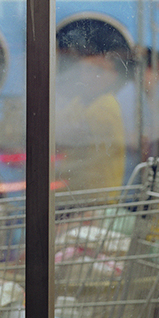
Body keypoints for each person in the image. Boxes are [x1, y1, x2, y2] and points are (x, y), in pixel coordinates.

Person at [55, 23, 132, 195]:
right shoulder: (80, 102)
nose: (89, 77)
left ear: (113, 77)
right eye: (85, 70)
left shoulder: (105, 107)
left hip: (99, 196)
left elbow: (73, 139)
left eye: (98, 71)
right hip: (78, 194)